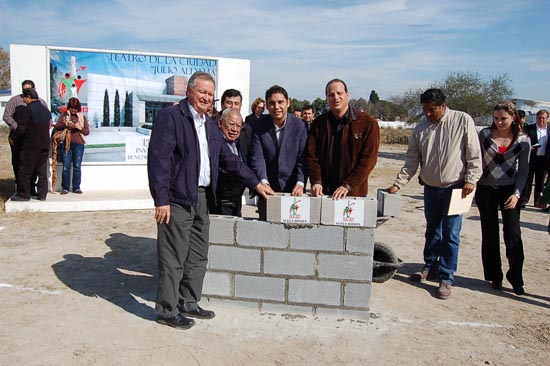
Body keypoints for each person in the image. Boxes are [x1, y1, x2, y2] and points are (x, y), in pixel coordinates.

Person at [147, 72, 273, 330]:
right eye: (201, 92)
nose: (206, 97)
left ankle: (189, 302)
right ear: (189, 92)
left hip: (202, 197)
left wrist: (256, 182)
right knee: (174, 257)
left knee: (198, 255)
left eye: (209, 94)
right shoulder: (171, 118)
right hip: (177, 198)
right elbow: (158, 160)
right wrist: (161, 199)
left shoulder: (209, 125)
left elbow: (230, 160)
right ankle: (167, 310)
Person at [387, 88, 482, 300]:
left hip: (458, 188)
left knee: (451, 233)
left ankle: (446, 277)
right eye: (424, 110)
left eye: (431, 110)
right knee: (432, 230)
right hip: (430, 188)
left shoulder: (462, 120)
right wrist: (398, 184)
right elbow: (412, 160)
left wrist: (471, 180)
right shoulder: (420, 129)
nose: (427, 114)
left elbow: (474, 154)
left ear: (442, 105)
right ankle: (429, 265)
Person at [475, 101, 530, 296]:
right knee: (489, 233)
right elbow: (475, 160)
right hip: (485, 189)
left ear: (513, 117)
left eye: (504, 118)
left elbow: (523, 171)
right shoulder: (484, 135)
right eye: (496, 118)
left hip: (509, 190)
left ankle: (516, 278)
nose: (499, 122)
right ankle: (494, 276)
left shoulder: (523, 140)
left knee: (513, 234)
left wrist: (516, 194)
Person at [307, 79, 380, 199]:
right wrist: (316, 181)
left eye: (339, 93)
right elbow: (312, 156)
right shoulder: (319, 124)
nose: (336, 97)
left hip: (353, 193)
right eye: (331, 95)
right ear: (327, 98)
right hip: (323, 192)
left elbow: (369, 159)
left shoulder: (367, 123)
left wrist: (348, 185)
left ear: (347, 95)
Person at [249, 85, 308, 220]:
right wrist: (263, 181)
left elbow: (302, 158)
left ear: (288, 103)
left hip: (293, 190)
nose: (276, 107)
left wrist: (300, 183)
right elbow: (258, 157)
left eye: (280, 102)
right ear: (267, 105)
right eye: (272, 103)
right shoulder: (259, 126)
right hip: (267, 190)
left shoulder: (300, 126)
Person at [3, 80, 48, 193]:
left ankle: (31, 189)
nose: (25, 91)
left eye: (28, 89)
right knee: (18, 162)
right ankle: (20, 188)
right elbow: (7, 116)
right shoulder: (14, 100)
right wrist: (16, 127)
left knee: (34, 165)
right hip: (18, 135)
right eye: (24, 88)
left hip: (33, 138)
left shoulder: (41, 103)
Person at [11, 88, 51, 201]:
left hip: (31, 144)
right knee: (41, 170)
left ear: (28, 97)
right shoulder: (45, 110)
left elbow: (22, 128)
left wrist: (13, 137)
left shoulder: (27, 110)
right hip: (44, 143)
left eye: (24, 98)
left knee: (25, 169)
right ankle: (42, 194)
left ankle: (24, 194)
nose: (23, 100)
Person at [208, 108, 246, 216]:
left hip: (235, 201)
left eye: (238, 126)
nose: (234, 129)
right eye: (231, 124)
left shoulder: (240, 144)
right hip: (218, 202)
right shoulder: (215, 142)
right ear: (220, 123)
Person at [54, 97, 90, 194]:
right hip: (66, 143)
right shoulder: (64, 115)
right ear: (68, 107)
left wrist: (79, 127)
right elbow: (57, 126)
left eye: (75, 108)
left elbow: (87, 132)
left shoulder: (82, 117)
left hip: (79, 143)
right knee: (66, 166)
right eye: (71, 108)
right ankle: (65, 188)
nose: (73, 110)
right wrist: (66, 124)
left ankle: (76, 187)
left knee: (77, 166)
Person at [521, 109, 549, 207]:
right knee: (528, 179)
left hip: (544, 158)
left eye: (544, 118)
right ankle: (524, 199)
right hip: (531, 157)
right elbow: (522, 141)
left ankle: (538, 200)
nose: (541, 120)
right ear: (536, 118)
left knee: (540, 180)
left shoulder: (549, 130)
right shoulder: (529, 129)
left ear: (547, 119)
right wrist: (529, 147)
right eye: (540, 118)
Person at [242, 97, 265, 163]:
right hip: (252, 143)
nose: (260, 109)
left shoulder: (265, 118)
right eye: (259, 107)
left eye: (262, 108)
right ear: (255, 107)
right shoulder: (249, 118)